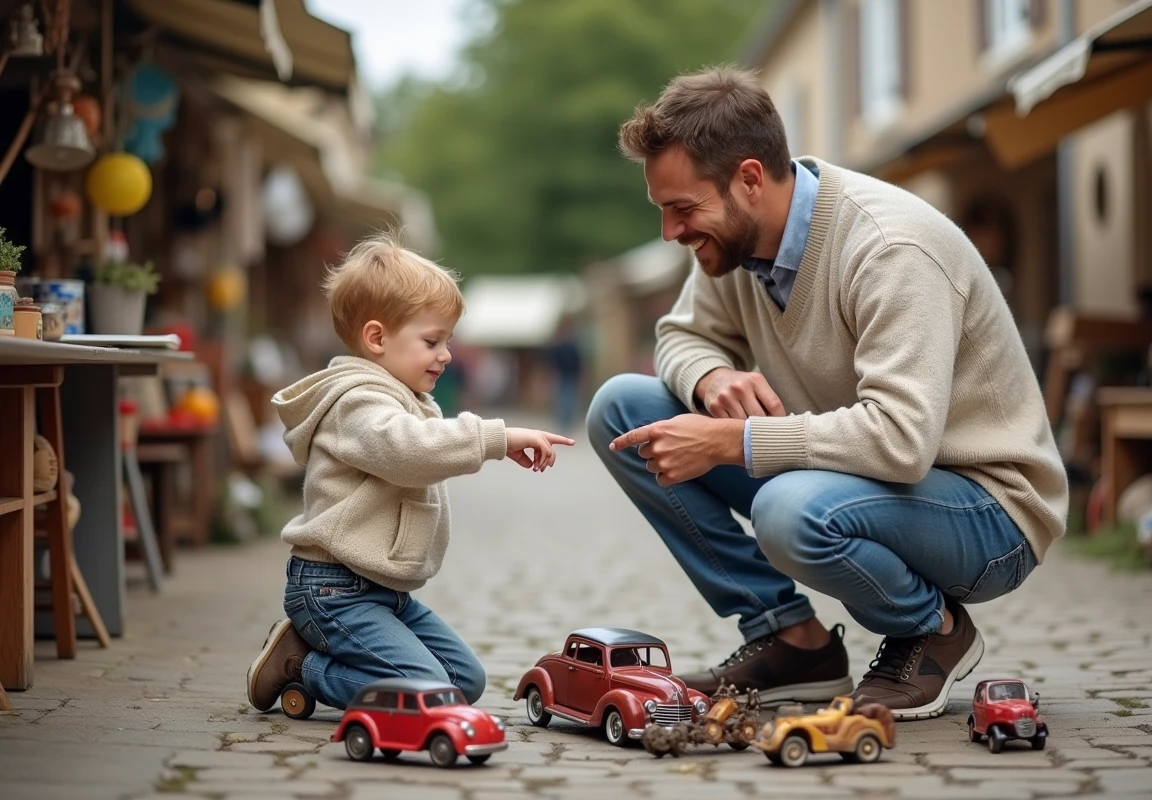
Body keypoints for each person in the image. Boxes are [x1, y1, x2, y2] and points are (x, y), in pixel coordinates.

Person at [587, 67, 1068, 720]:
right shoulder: (735, 245)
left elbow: (900, 442)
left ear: (749, 179)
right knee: (622, 407)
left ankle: (933, 631)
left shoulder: (890, 248)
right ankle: (791, 641)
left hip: (988, 511)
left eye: (684, 209)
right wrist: (710, 377)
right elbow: (681, 334)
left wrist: (734, 440)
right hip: (858, 479)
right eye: (663, 210)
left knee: (789, 510)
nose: (671, 231)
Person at [246, 230, 573, 712]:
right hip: (332, 590)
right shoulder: (357, 402)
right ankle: (303, 667)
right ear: (377, 338)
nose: (447, 354)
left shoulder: (406, 399)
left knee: (465, 681)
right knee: (428, 690)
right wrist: (496, 439)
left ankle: (318, 656)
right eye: (432, 340)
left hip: (383, 593)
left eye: (448, 340)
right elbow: (407, 449)